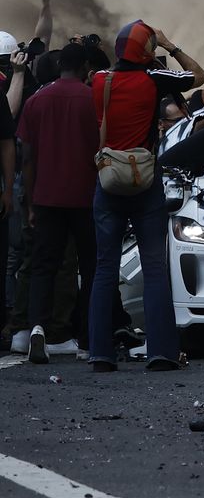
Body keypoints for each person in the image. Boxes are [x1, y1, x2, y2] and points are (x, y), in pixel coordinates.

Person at [90, 21, 203, 372]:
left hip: (108, 180)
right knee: (155, 267)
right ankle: (162, 352)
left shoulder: (99, 80)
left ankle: (101, 353)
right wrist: (170, 46)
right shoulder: (155, 79)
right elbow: (197, 76)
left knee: (104, 269)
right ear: (146, 50)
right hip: (144, 180)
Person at [17, 44, 100, 363]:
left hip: (46, 197)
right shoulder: (92, 98)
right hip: (86, 198)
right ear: (83, 68)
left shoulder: (37, 100)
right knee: (91, 267)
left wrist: (30, 201)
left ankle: (37, 328)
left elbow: (26, 155)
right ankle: (89, 337)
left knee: (43, 266)